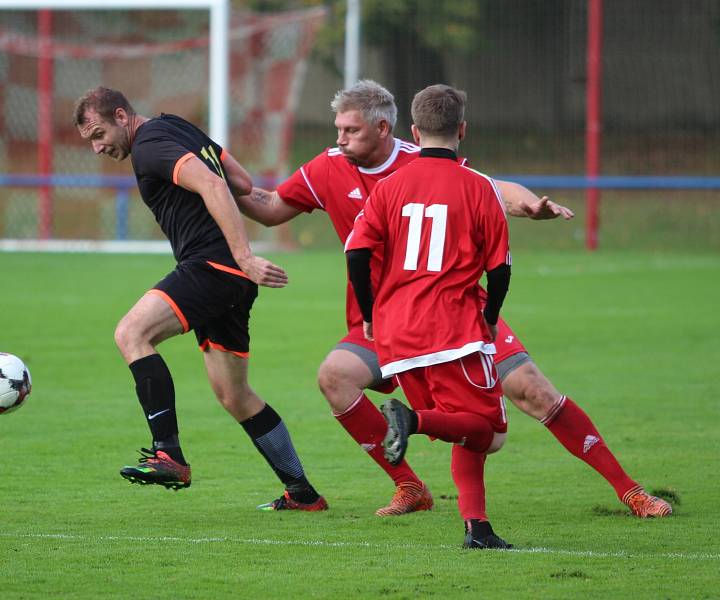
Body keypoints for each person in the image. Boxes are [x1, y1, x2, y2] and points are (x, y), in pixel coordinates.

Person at [234, 80, 671, 519]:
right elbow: (270, 206)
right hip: (387, 320)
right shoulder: (326, 168)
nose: (339, 139)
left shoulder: (420, 160)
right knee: (335, 378)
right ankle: (411, 487)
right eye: (338, 129)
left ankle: (629, 491)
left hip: (457, 313)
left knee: (533, 392)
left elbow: (493, 188)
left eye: (350, 130)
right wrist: (215, 179)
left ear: (385, 128)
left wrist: (531, 206)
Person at [72, 86, 326, 512]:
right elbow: (241, 182)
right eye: (91, 142)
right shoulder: (174, 126)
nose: (98, 147)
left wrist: (243, 256)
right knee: (234, 394)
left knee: (132, 333)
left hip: (213, 267)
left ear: (121, 115)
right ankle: (302, 493)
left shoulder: (149, 148)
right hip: (229, 277)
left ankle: (167, 453)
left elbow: (212, 183)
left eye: (100, 134)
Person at [346, 83, 513, 548]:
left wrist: (369, 313)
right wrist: (492, 316)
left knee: (462, 426)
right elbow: (499, 269)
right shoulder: (479, 187)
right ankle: (411, 421)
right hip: (453, 328)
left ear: (415, 132)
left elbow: (357, 252)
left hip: (397, 333)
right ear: (462, 129)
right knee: (488, 432)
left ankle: (477, 529)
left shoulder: (389, 187)